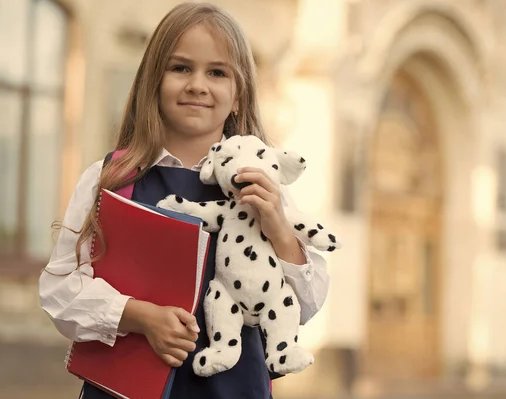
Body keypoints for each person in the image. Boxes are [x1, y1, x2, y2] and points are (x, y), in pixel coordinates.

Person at [39, 3, 330, 398]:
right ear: (153, 82)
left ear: (239, 95)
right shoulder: (110, 178)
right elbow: (58, 290)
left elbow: (305, 307)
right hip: (124, 388)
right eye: (180, 68)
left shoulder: (265, 186)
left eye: (217, 72)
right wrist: (138, 316)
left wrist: (278, 227)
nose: (197, 84)